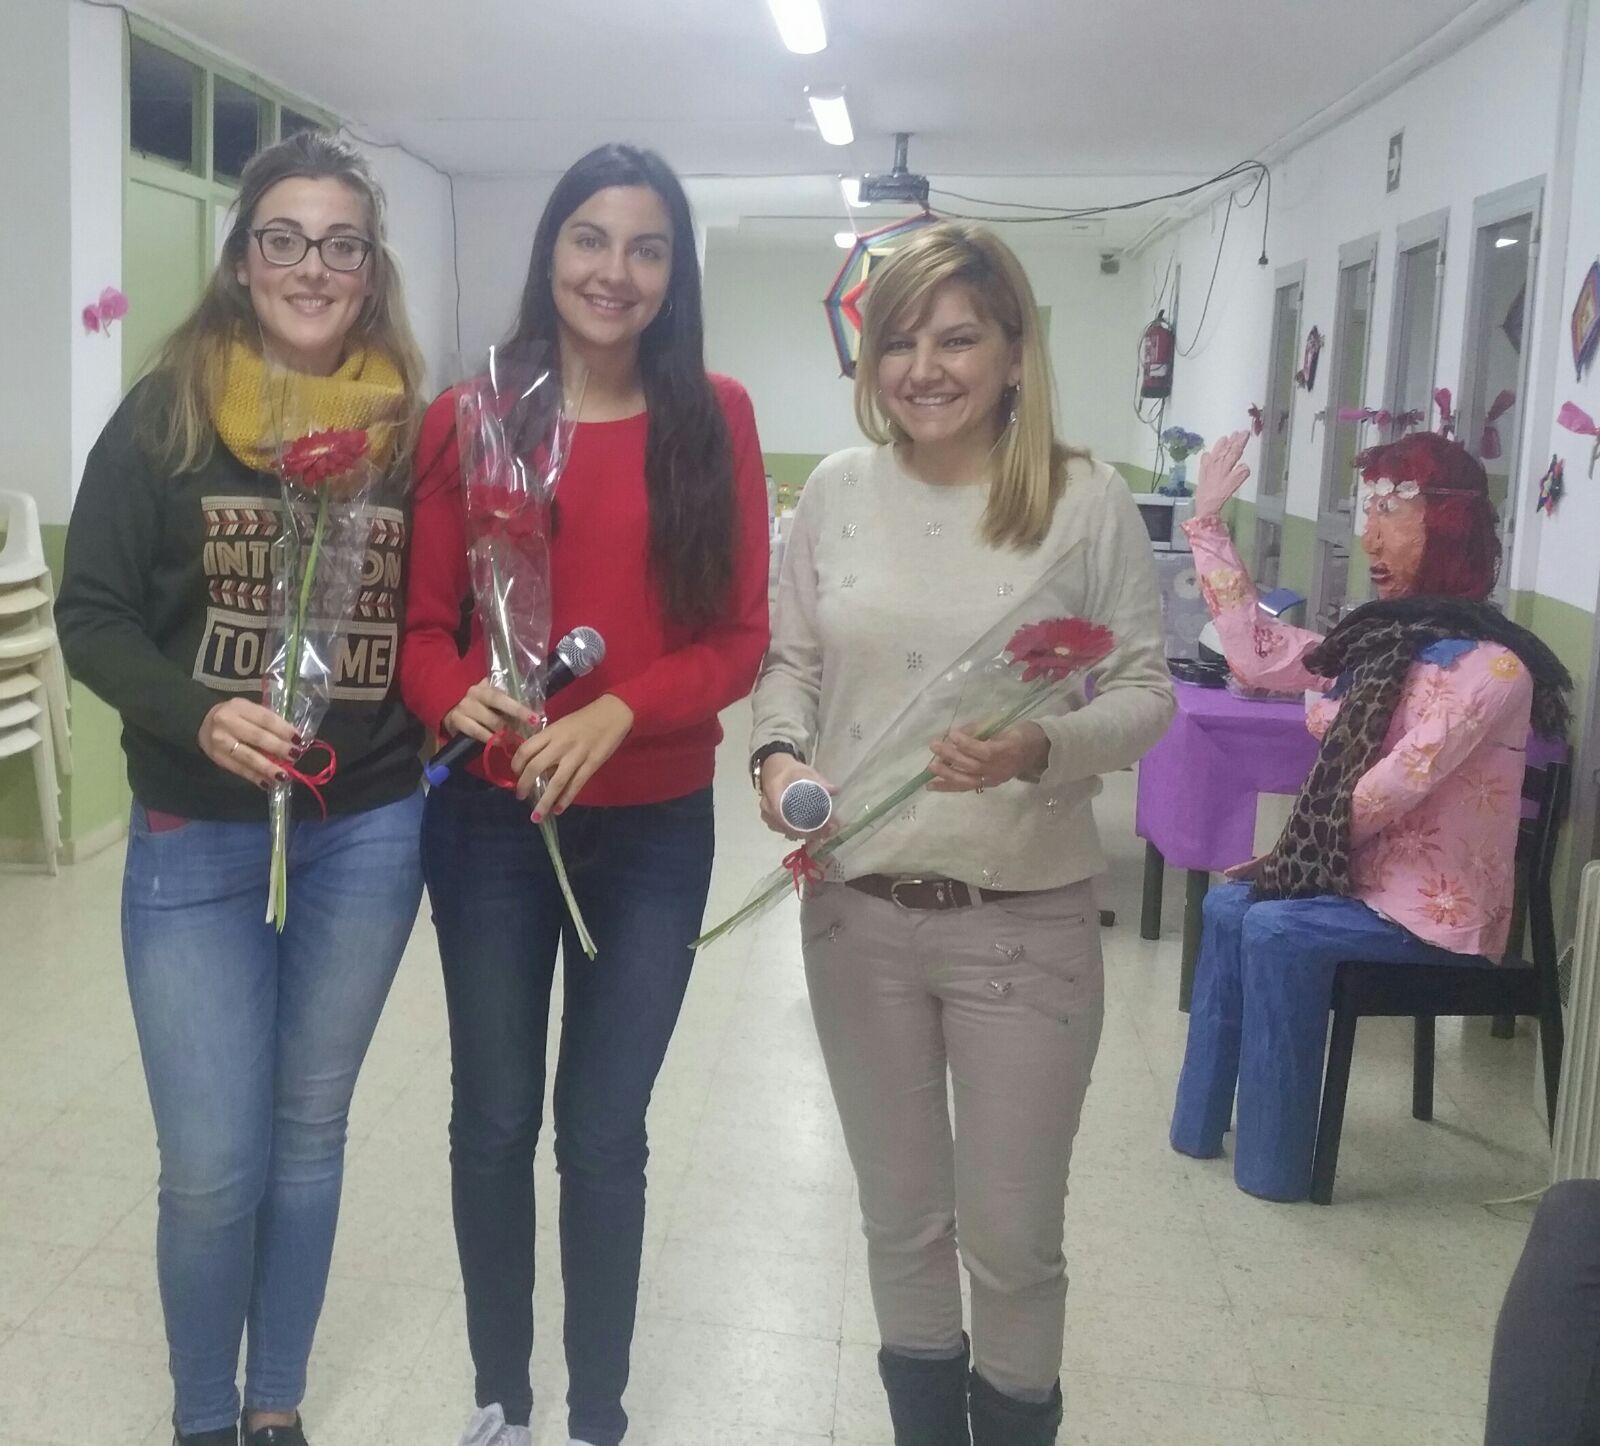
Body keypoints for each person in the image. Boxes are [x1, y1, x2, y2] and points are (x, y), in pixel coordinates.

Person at [749, 222, 1175, 1446]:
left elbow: (1145, 693)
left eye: (956, 339)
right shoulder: (834, 494)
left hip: (1022, 927)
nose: (923, 369)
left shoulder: (1083, 500)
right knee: (901, 1223)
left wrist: (1042, 745)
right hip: (858, 917)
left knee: (1011, 1237)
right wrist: (777, 757)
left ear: (1012, 352)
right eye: (898, 343)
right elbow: (789, 666)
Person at [55, 131, 428, 1446]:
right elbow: (92, 616)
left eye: (341, 243)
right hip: (194, 838)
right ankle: (203, 1415)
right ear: (243, 259)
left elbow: (436, 617)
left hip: (367, 828)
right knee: (214, 1165)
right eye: (285, 238)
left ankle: (276, 1405)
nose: (311, 266)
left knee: (309, 1133)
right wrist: (197, 714)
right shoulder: (163, 417)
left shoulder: (407, 432)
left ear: (369, 268)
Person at [399, 144, 769, 1446]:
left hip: (656, 826)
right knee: (494, 1119)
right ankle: (502, 1398)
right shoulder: (475, 416)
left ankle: (598, 1411)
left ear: (675, 272)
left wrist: (623, 710)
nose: (616, 271)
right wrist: (456, 694)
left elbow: (738, 636)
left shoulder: (714, 416)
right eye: (590, 239)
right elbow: (421, 631)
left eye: (647, 247)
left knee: (605, 1133)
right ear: (550, 251)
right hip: (493, 825)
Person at [1169, 430, 1572, 1202]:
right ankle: (1197, 1130)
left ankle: (1274, 1171)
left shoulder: (1494, 670)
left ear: (1447, 525)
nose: (1370, 537)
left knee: (1275, 927)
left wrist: (1290, 859)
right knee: (1227, 907)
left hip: (1434, 915)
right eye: (1368, 512)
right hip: (1356, 885)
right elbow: (1256, 653)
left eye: (1392, 512)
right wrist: (1208, 524)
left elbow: (1392, 786)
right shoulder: (1382, 642)